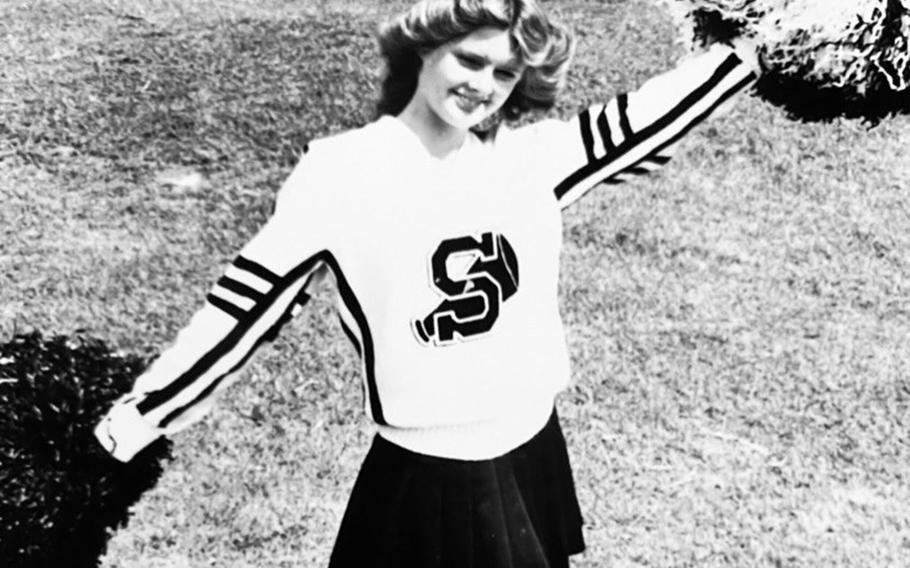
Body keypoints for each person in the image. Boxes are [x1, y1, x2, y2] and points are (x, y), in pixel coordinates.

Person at [94, 0, 760, 565]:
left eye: (504, 72)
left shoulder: (530, 160)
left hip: (531, 444)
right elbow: (249, 304)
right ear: (425, 49)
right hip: (433, 471)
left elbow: (642, 121)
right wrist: (148, 411)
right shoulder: (341, 174)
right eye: (469, 61)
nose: (484, 86)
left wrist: (755, 51)